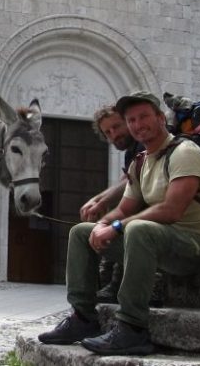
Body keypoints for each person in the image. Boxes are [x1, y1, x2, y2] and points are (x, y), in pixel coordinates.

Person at [38, 91, 200, 356]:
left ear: (161, 118)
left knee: (137, 228)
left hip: (198, 247)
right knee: (81, 232)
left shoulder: (185, 152)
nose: (138, 125)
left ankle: (132, 328)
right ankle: (83, 319)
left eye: (144, 117)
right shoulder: (140, 162)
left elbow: (171, 210)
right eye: (132, 120)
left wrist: (115, 227)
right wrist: (102, 223)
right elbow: (124, 208)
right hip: (160, 245)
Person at [79, 105, 141, 302]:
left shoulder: (143, 146)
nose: (114, 134)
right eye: (108, 132)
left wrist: (101, 201)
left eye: (117, 126)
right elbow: (128, 179)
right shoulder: (131, 150)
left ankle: (115, 285)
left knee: (121, 223)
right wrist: (97, 200)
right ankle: (100, 288)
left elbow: (133, 179)